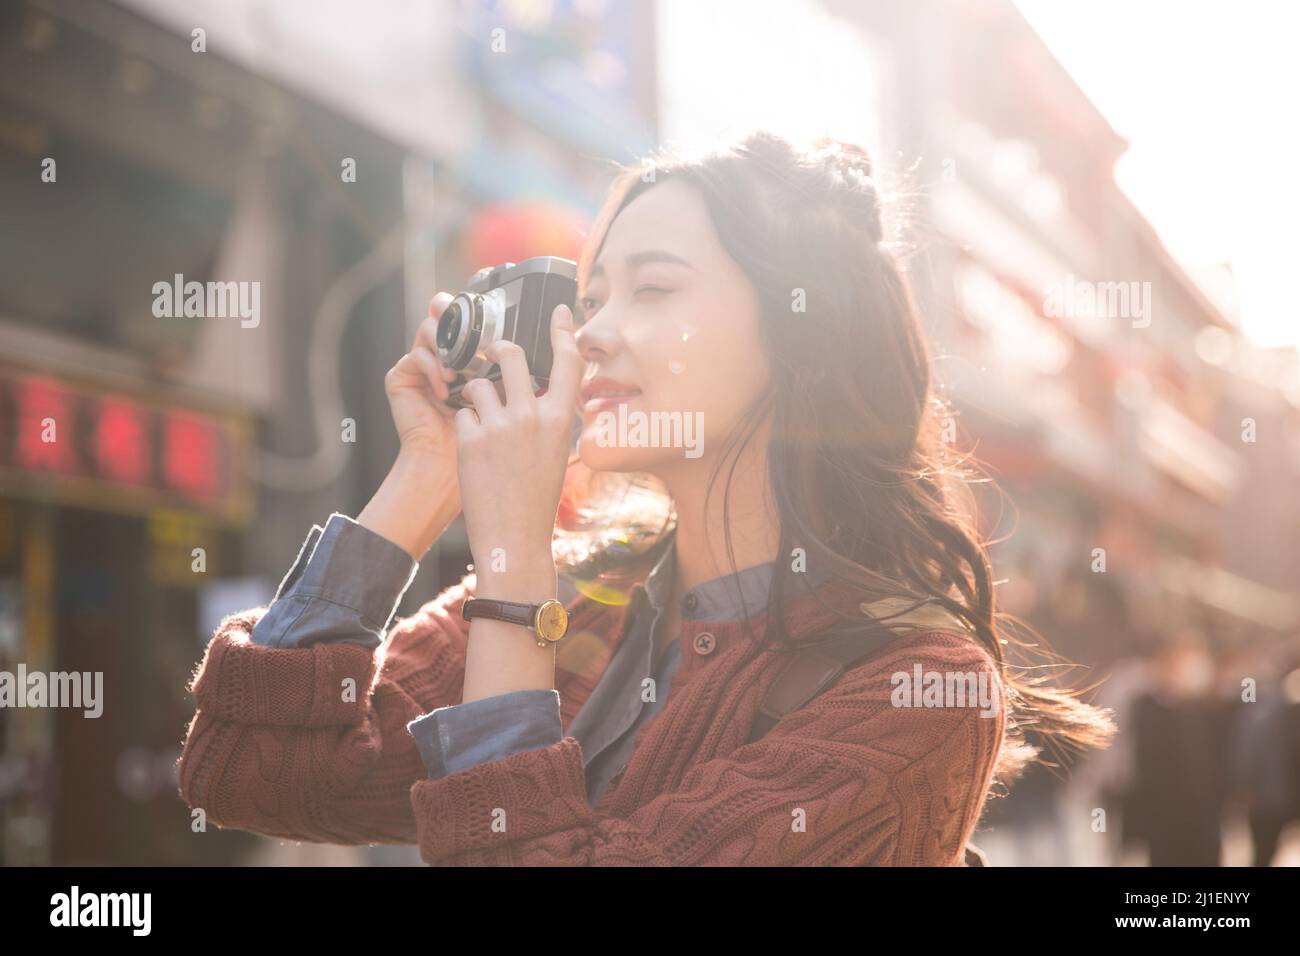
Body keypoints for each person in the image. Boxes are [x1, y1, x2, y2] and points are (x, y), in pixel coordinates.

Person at [177, 130, 1114, 866]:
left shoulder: (917, 693)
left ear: (803, 326)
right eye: (590, 302)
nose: (596, 337)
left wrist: (510, 571)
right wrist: (428, 478)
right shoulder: (584, 593)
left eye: (653, 289)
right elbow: (247, 773)